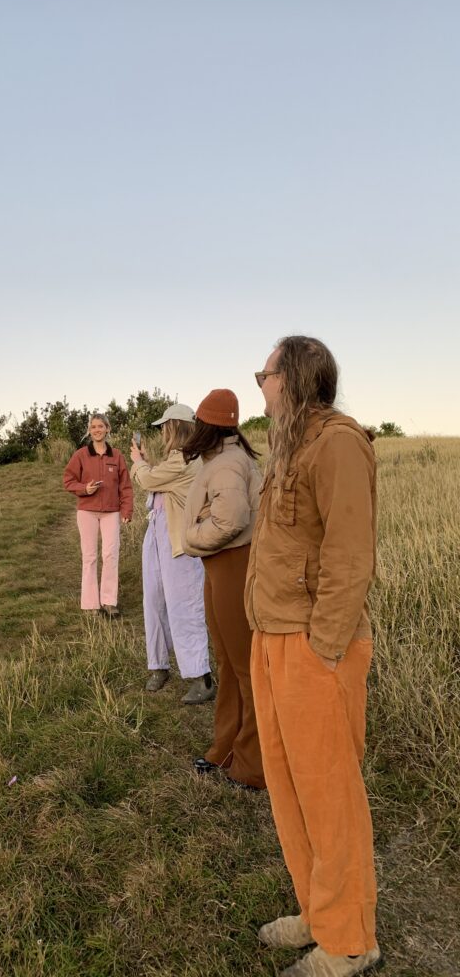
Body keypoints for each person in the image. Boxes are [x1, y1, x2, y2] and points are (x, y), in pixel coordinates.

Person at [247, 336, 380, 977]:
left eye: (264, 374)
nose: (260, 386)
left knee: (330, 794)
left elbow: (350, 556)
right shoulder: (290, 446)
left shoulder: (339, 445)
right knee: (290, 786)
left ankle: (350, 940)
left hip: (313, 648)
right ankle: (316, 911)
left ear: (293, 378)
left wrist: (323, 649)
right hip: (271, 641)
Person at [182, 389, 265, 789]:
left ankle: (253, 765)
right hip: (221, 565)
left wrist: (192, 537)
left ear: (208, 426)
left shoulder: (229, 463)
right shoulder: (220, 459)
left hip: (233, 563)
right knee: (229, 663)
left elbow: (231, 521)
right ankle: (227, 747)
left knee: (246, 668)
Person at [129, 404, 214, 704]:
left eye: (165, 426)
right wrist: (147, 465)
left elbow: (147, 481)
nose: (162, 432)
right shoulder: (176, 458)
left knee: (184, 605)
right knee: (153, 600)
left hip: (178, 538)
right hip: (157, 533)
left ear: (175, 426)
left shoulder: (188, 457)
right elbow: (155, 481)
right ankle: (159, 665)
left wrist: (138, 462)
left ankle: (201, 676)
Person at [63, 413, 133, 616]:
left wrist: (126, 510)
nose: (97, 430)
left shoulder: (117, 456)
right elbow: (68, 481)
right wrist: (85, 488)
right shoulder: (80, 455)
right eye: (93, 427)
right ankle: (90, 604)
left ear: (107, 429)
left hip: (111, 512)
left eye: (100, 426)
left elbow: (126, 486)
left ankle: (109, 602)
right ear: (89, 430)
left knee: (111, 555)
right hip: (87, 512)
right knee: (90, 556)